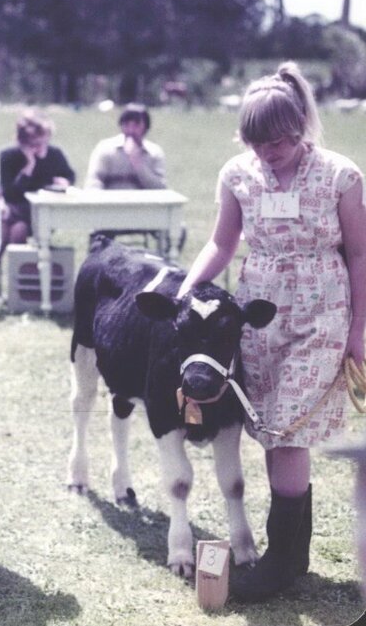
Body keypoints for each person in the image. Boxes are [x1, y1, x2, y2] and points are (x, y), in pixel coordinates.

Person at [176, 62, 366, 602]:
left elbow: (359, 253)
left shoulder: (341, 176)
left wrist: (358, 331)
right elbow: (222, 243)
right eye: (257, 143)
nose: (268, 153)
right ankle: (294, 554)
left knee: (285, 428)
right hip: (258, 316)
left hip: (322, 316)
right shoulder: (237, 174)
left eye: (278, 142)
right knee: (269, 429)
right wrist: (186, 289)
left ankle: (280, 559)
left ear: (302, 126)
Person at [0, 107, 76, 285]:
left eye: (42, 142)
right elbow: (10, 193)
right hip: (14, 209)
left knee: (13, 227)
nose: (38, 148)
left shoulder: (54, 154)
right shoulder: (8, 155)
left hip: (40, 214)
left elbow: (70, 175)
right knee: (9, 229)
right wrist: (28, 168)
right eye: (33, 144)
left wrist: (64, 182)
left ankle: (18, 282)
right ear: (22, 141)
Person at [85, 103, 166, 190]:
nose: (131, 130)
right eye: (126, 125)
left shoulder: (154, 153)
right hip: (111, 201)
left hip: (142, 202)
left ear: (146, 127)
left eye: (136, 125)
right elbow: (93, 180)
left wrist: (138, 164)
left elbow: (160, 188)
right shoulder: (105, 148)